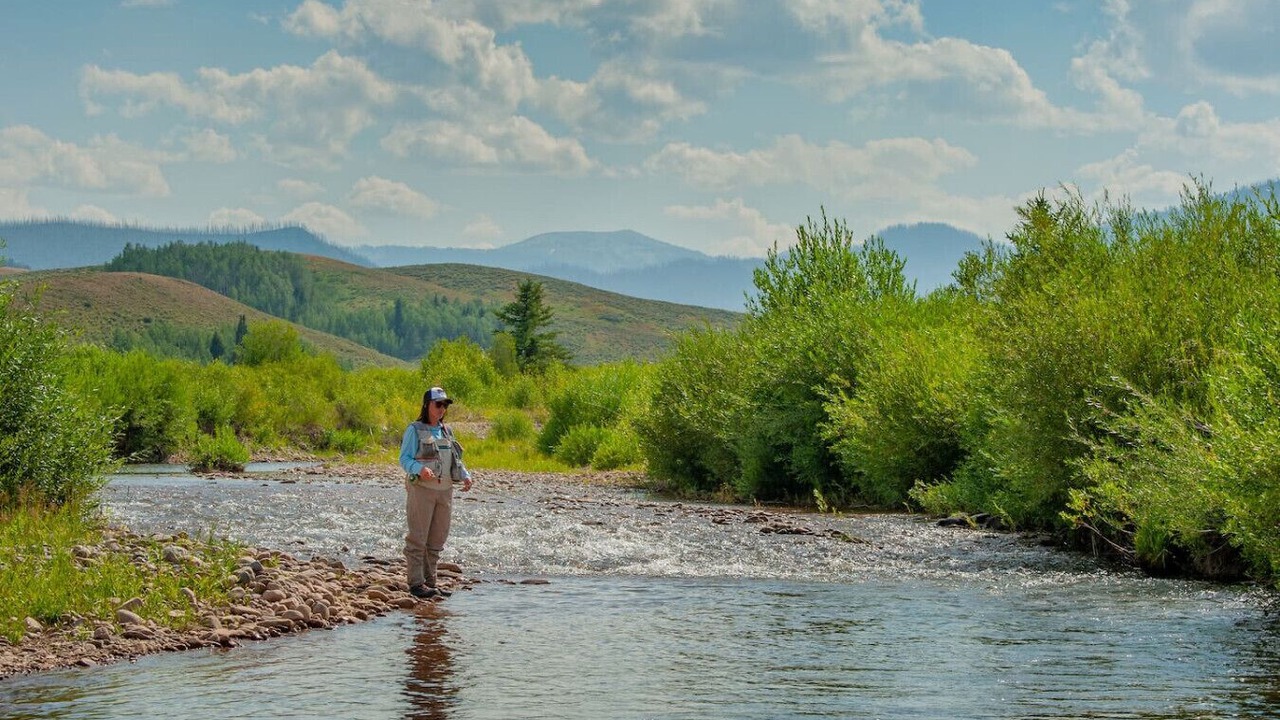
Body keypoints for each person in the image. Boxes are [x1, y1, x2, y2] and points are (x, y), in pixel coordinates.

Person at [400, 386, 472, 600]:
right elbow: (404, 459)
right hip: (422, 489)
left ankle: (430, 582)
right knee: (418, 538)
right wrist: (419, 469)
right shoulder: (414, 429)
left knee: (437, 539)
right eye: (438, 404)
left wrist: (466, 475)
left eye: (445, 405)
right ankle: (416, 583)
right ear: (427, 405)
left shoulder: (446, 431)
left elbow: (456, 460)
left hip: (445, 491)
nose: (442, 409)